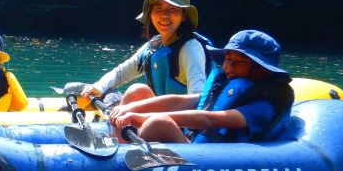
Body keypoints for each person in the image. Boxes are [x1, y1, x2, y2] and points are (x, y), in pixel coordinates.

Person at [110, 30, 294, 143]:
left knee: (159, 123)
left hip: (203, 157)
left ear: (261, 70)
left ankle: (117, 165)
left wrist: (140, 117)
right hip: (191, 138)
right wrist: (128, 108)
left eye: (239, 63)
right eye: (228, 60)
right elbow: (180, 102)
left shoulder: (264, 105)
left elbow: (210, 120)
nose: (228, 68)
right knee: (138, 91)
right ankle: (115, 146)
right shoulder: (228, 84)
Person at [82, 0, 212, 107]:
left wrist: (141, 111)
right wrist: (99, 86)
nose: (164, 15)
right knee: (136, 91)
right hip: (158, 116)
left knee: (136, 90)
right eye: (158, 9)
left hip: (182, 123)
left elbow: (197, 98)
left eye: (172, 9)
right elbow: (121, 73)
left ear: (183, 16)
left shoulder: (191, 48)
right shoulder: (154, 45)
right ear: (151, 13)